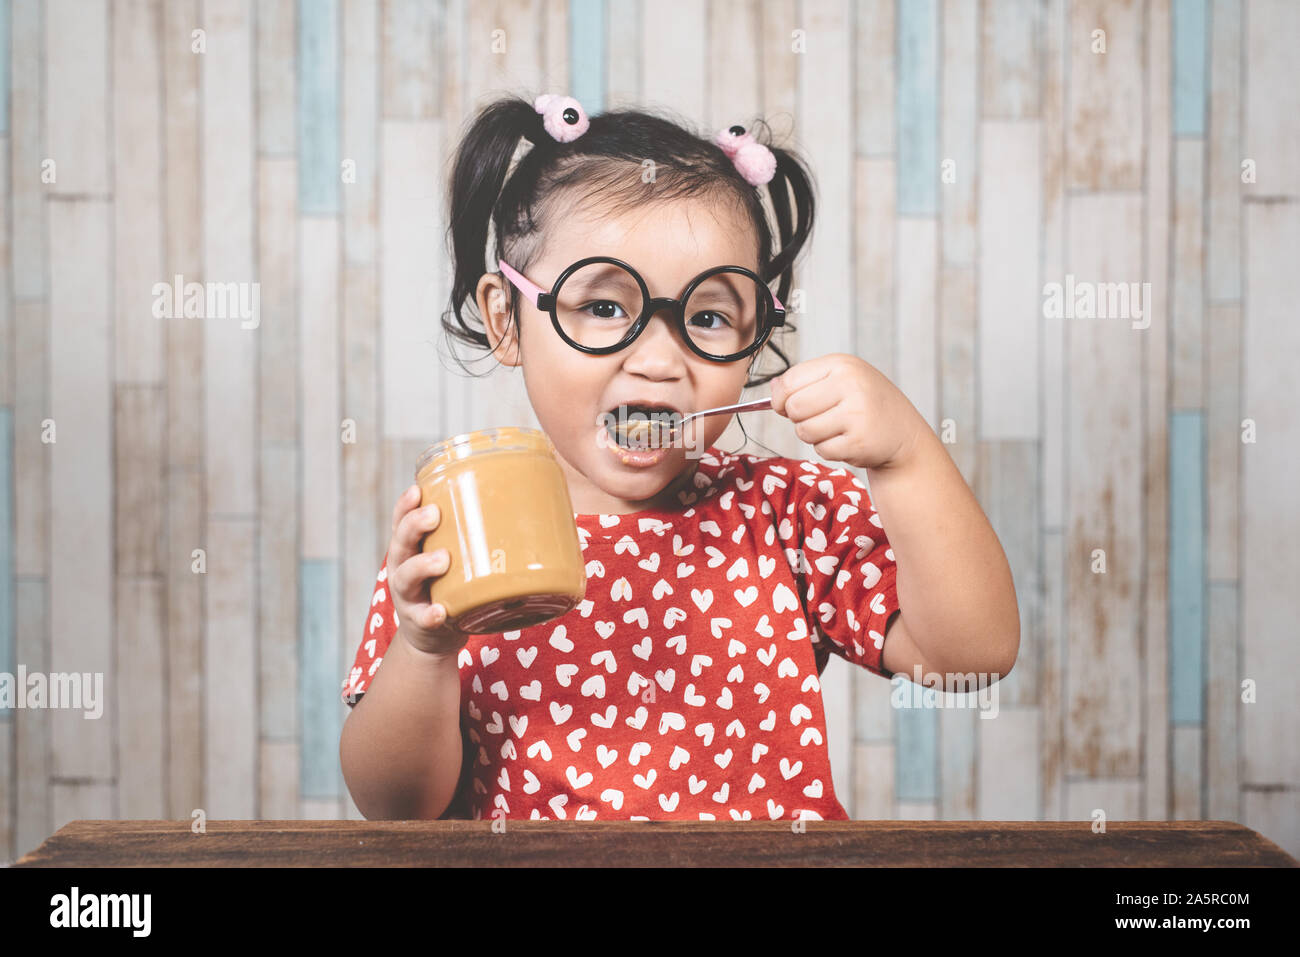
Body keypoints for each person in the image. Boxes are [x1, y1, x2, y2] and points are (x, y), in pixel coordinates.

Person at [339, 93, 1020, 821]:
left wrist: (908, 457)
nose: (661, 359)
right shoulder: (464, 522)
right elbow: (397, 809)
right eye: (603, 306)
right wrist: (425, 648)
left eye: (707, 316)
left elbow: (967, 658)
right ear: (507, 319)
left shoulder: (785, 514)